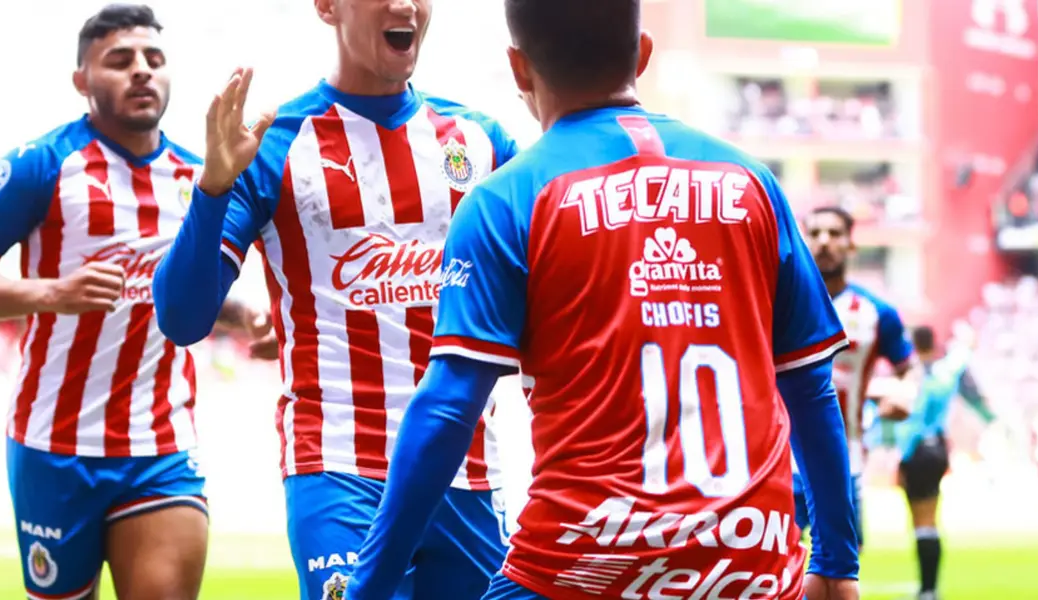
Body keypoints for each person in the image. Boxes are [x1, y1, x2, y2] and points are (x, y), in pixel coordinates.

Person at [342, 0, 860, 598]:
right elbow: (809, 386)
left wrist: (369, 588)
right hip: (750, 567)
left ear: (518, 68)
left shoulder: (508, 198)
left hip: (582, 565)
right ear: (642, 54)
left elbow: (447, 409)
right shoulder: (752, 183)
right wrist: (836, 562)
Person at [150, 0, 519, 597]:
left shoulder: (482, 142)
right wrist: (213, 188)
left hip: (468, 470)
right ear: (327, 7)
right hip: (340, 469)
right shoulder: (274, 146)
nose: (405, 5)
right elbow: (182, 318)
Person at [0, 5, 271, 599]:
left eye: (154, 59)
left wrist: (243, 315)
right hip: (53, 443)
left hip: (160, 442)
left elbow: (181, 290)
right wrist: (52, 293)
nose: (141, 70)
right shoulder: (42, 164)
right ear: (81, 80)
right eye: (120, 60)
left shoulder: (199, 177)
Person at [796, 205, 916, 549]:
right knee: (774, 562)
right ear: (803, 242)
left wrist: (905, 393)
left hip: (845, 457)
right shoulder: (776, 303)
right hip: (780, 457)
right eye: (815, 233)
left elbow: (909, 368)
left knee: (842, 562)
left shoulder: (876, 312)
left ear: (851, 244)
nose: (824, 241)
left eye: (834, 234)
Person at [896, 325, 992, 600]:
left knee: (921, 522)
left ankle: (927, 589)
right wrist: (966, 339)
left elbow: (914, 420)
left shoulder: (914, 376)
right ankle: (930, 588)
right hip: (939, 449)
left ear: (914, 344)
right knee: (931, 519)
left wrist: (902, 459)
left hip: (917, 451)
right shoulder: (945, 372)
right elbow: (963, 354)